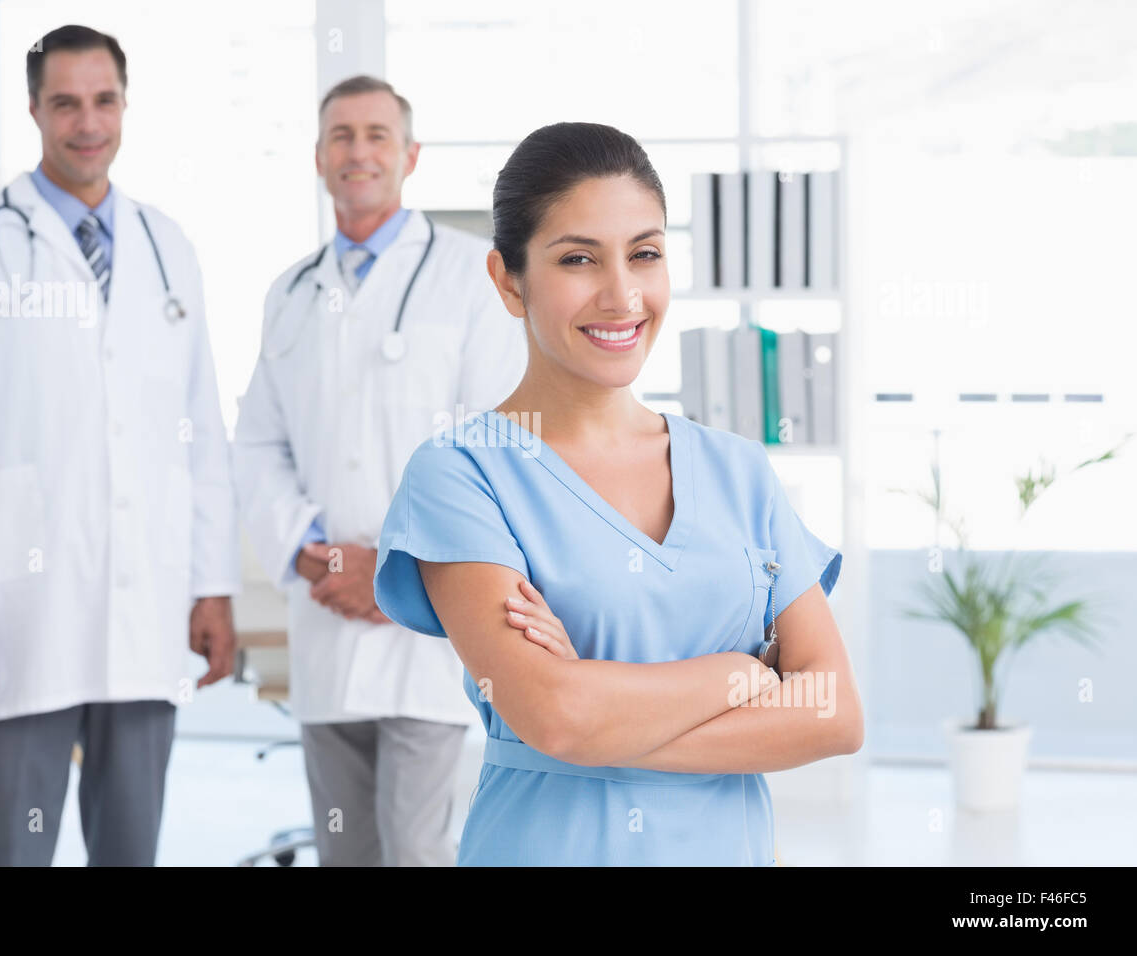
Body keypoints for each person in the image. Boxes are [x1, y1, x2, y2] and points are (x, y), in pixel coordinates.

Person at [373, 121, 864, 865]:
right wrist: (738, 676)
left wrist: (609, 714)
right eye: (578, 259)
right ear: (508, 280)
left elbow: (832, 712)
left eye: (645, 254)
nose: (622, 295)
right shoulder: (462, 473)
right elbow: (559, 717)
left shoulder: (738, 471)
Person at [0, 24, 240, 866]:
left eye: (104, 100)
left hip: (146, 609)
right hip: (18, 620)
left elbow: (200, 436)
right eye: (66, 104)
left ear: (125, 104)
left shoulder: (169, 249)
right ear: (34, 110)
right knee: (3, 854)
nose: (88, 123)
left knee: (130, 852)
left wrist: (214, 584)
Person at [233, 76, 526, 866]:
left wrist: (385, 571)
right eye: (340, 136)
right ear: (319, 158)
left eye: (376, 134)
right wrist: (312, 553)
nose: (358, 151)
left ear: (410, 155)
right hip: (325, 623)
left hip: (427, 624)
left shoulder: (473, 275)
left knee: (414, 849)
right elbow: (258, 444)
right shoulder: (290, 293)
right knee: (345, 852)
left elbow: (491, 446)